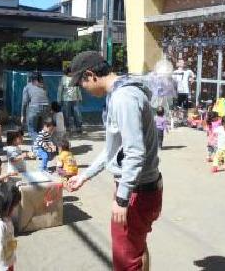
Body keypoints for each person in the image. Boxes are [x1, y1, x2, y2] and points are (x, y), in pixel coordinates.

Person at [67, 51, 162, 271]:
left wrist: (122, 199)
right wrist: (85, 175)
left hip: (137, 191)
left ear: (90, 75)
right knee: (136, 249)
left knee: (126, 260)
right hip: (140, 188)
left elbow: (135, 152)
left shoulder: (123, 98)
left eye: (82, 83)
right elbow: (113, 150)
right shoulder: (120, 93)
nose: (85, 90)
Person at [21, 72, 49, 142]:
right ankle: (44, 145)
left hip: (34, 107)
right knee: (41, 129)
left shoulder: (27, 87)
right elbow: (47, 97)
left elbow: (24, 102)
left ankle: (39, 146)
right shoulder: (44, 86)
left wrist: (22, 115)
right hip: (46, 107)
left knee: (32, 130)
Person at [57, 66, 83, 134]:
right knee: (66, 114)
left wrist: (80, 97)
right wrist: (59, 99)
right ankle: (67, 127)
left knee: (77, 113)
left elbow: (78, 89)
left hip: (75, 99)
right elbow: (60, 90)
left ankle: (78, 127)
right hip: (66, 99)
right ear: (68, 72)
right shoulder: (63, 79)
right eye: (71, 72)